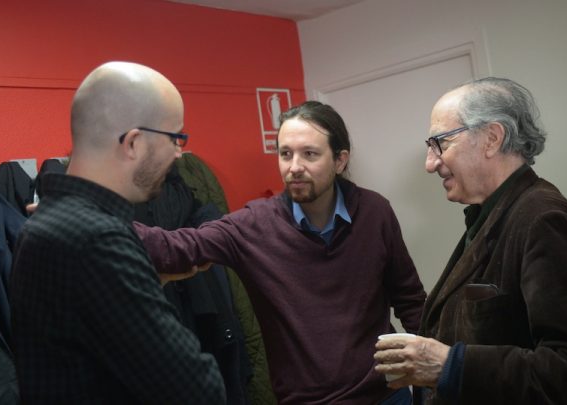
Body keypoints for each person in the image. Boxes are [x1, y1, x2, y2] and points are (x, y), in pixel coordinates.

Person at [135, 101, 427, 404]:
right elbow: (176, 248)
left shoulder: (374, 211)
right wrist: (103, 209)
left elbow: (410, 300)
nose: (294, 167)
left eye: (310, 154)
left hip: (386, 396)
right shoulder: (254, 225)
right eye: (286, 154)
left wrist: (433, 379)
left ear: (340, 160)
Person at [373, 77, 567, 404]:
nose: (430, 163)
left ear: (492, 138)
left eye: (441, 143)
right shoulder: (491, 214)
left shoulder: (544, 219)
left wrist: (450, 366)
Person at [10, 61, 225, 404]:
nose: (178, 153)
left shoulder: (48, 221)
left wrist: (148, 284)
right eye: (175, 138)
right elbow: (198, 389)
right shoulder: (98, 241)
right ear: (134, 143)